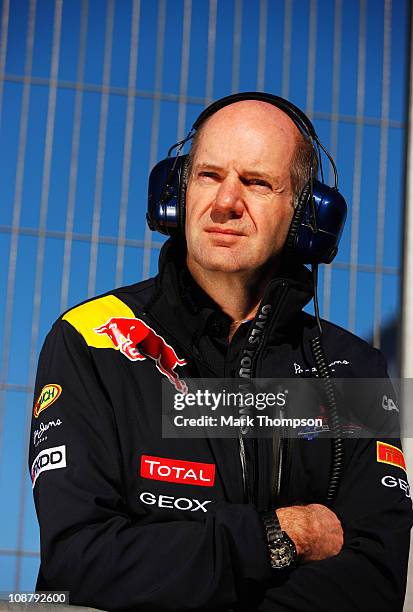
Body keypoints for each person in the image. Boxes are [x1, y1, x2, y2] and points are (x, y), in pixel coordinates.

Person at [29, 92, 412, 611]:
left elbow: (373, 580)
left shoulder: (355, 369)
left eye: (256, 183)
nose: (226, 202)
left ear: (305, 215)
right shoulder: (93, 339)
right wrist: (281, 536)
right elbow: (79, 562)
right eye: (209, 176)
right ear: (177, 192)